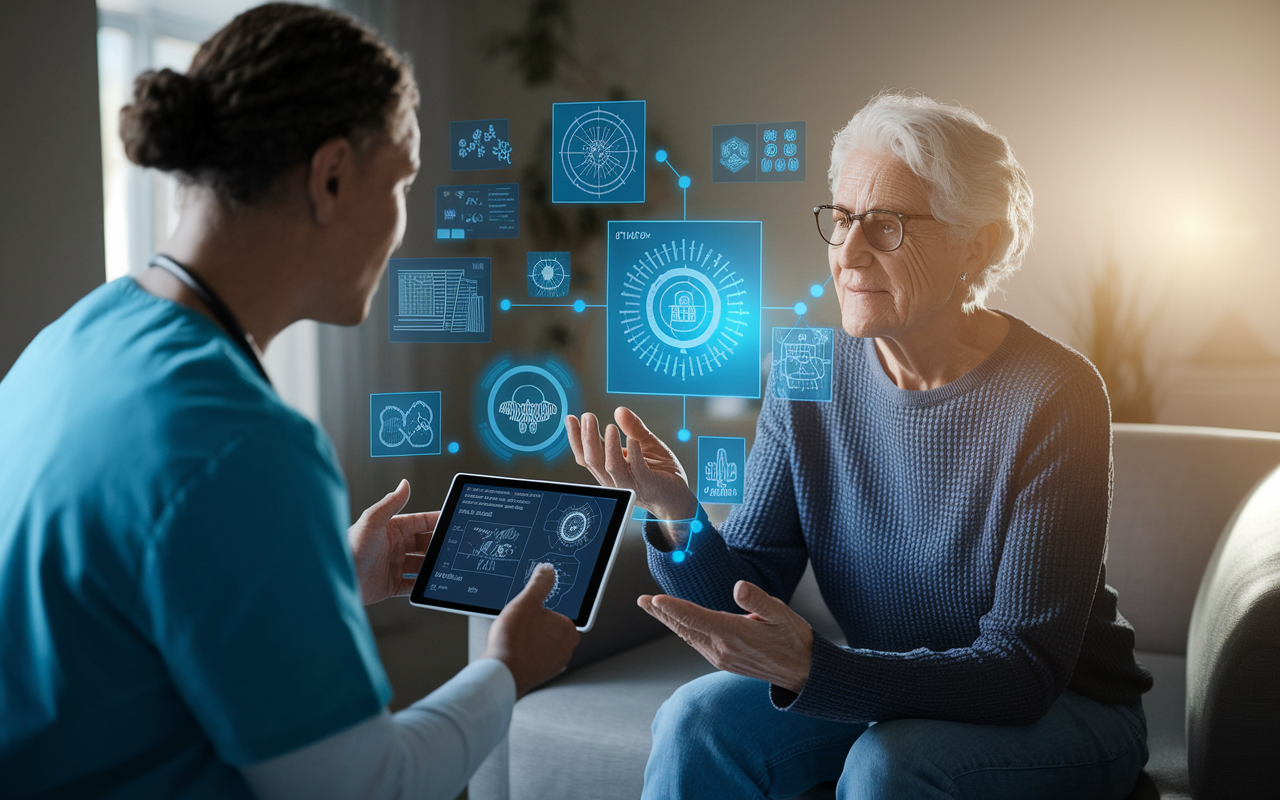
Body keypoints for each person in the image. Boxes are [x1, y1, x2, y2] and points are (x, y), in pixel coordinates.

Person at [0, 5, 578, 798]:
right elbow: (366, 788)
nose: (404, 223)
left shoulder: (74, 339)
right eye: (404, 180)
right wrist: (507, 671)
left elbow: (127, 609)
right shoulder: (247, 446)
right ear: (331, 176)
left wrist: (324, 576)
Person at [566, 93, 1154, 799]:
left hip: (1065, 708)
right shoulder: (807, 366)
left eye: (887, 225)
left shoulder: (1055, 393)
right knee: (695, 719)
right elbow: (749, 585)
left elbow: (1022, 671)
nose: (846, 251)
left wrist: (821, 670)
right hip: (894, 680)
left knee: (891, 764)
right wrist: (673, 511)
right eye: (842, 218)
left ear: (980, 243)